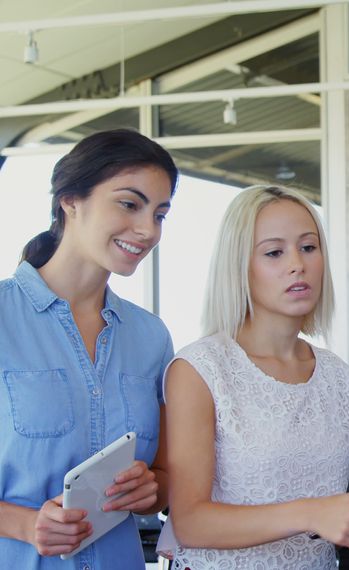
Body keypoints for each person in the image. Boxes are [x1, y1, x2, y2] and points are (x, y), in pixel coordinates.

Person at [164, 185, 349, 567]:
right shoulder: (200, 369)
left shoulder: (340, 379)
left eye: (309, 247)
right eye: (274, 252)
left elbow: (320, 517)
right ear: (239, 265)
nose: (298, 264)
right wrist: (313, 514)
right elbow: (189, 521)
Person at [0, 129, 177, 569]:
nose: (147, 230)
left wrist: (151, 490)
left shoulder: (151, 337)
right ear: (71, 200)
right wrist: (22, 523)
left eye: (160, 214)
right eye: (129, 204)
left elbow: (169, 477)